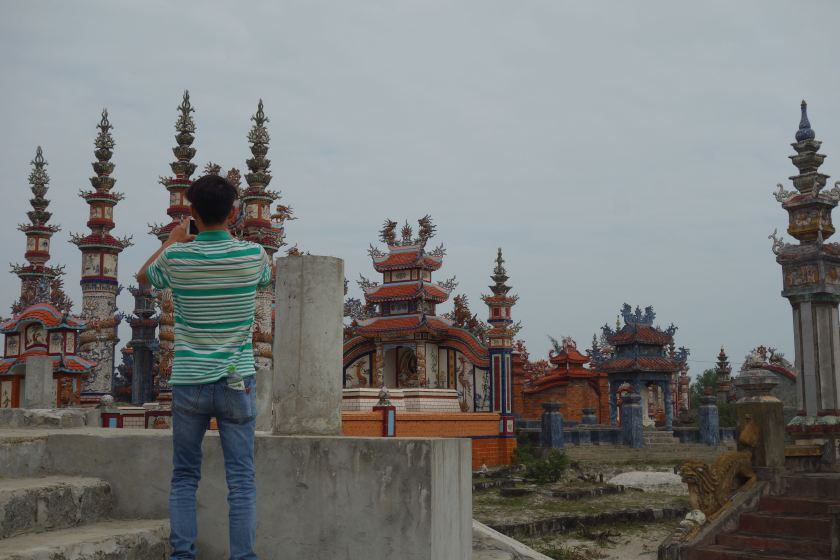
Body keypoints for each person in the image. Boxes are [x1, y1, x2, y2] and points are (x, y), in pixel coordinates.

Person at [137, 174, 271, 560]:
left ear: (192, 211)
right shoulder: (253, 255)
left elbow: (143, 277)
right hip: (236, 379)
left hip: (189, 379)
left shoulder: (177, 258)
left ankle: (182, 555)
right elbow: (266, 278)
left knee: (184, 476)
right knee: (241, 479)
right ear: (233, 213)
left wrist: (174, 239)